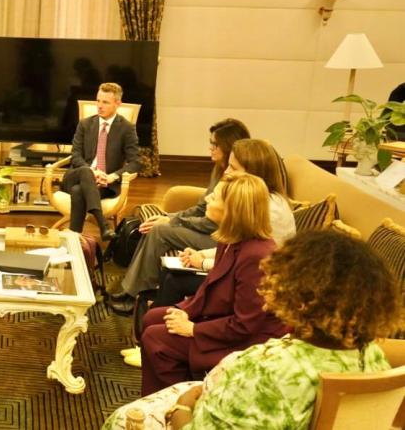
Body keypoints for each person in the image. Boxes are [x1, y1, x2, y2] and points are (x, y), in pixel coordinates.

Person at [102, 229, 403, 429]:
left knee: (121, 420)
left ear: (296, 297)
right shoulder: (373, 358)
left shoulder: (266, 370)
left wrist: (182, 407)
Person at [139, 173, 289, 395]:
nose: (207, 199)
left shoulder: (257, 256)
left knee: (156, 339)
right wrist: (182, 311)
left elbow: (245, 325)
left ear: (232, 209)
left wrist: (193, 329)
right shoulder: (229, 240)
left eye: (215, 197)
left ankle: (177, 401)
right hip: (225, 320)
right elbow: (209, 289)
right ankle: (166, 389)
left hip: (251, 342)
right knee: (153, 318)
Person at [109, 118, 251, 314]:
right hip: (209, 228)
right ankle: (131, 289)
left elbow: (212, 223)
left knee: (160, 231)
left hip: (218, 237)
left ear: (228, 147)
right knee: (155, 224)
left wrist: (172, 220)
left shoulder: (239, 182)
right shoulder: (220, 170)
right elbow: (202, 208)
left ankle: (134, 294)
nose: (210, 148)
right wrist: (170, 216)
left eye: (214, 144)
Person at [153, 139, 295, 307]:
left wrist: (203, 262)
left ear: (253, 173)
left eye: (233, 168)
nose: (226, 171)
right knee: (170, 272)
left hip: (259, 283)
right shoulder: (257, 200)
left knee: (174, 279)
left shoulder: (265, 209)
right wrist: (203, 255)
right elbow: (234, 248)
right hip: (242, 272)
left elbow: (246, 262)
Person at [62, 82, 141, 239]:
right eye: (98, 101)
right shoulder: (85, 124)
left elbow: (136, 162)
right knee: (86, 171)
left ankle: (74, 236)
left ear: (117, 104)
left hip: (105, 183)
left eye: (105, 102)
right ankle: (103, 225)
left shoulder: (126, 128)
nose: (99, 106)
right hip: (75, 176)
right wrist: (93, 172)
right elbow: (75, 155)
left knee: (79, 191)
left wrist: (112, 176)